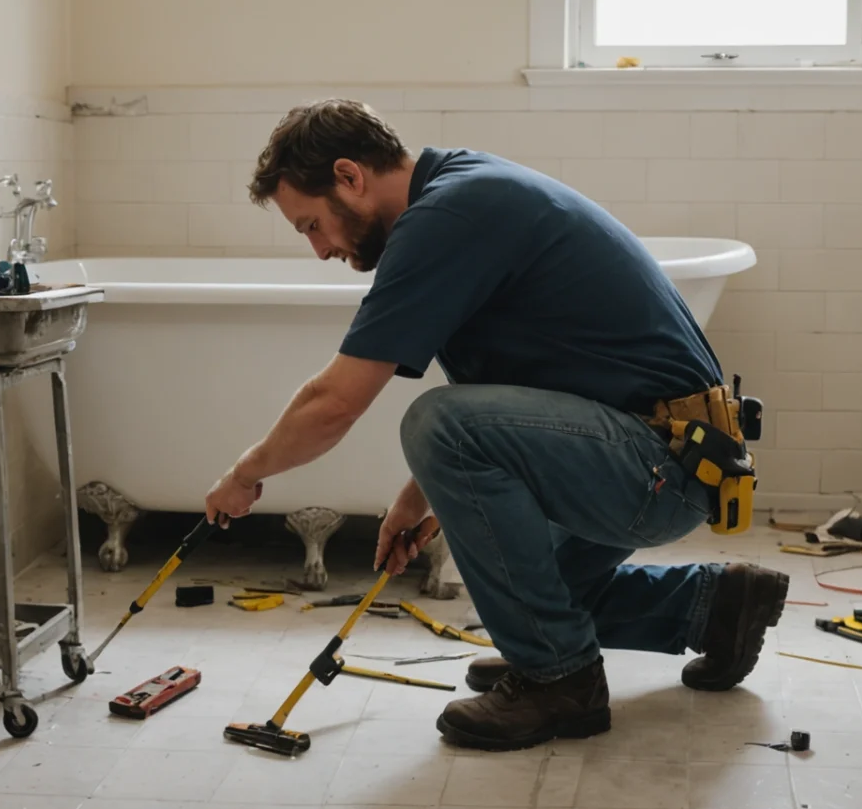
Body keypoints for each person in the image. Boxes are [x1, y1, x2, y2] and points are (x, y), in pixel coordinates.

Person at [204, 99, 789, 751]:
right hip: (671, 454)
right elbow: (509, 382)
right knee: (531, 598)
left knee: (439, 425)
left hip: (656, 463)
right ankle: (717, 607)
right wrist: (415, 495)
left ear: (349, 176)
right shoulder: (463, 191)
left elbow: (333, 402)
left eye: (312, 225)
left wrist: (244, 475)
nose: (319, 250)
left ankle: (560, 680)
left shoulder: (445, 218)